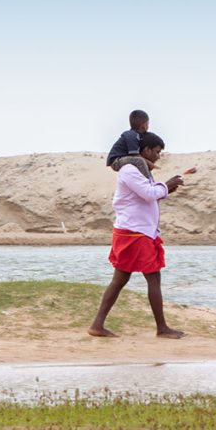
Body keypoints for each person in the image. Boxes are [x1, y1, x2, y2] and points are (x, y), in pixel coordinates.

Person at [89, 132, 185, 339]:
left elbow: (148, 196)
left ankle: (97, 325)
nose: (159, 156)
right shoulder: (130, 170)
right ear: (147, 150)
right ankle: (162, 328)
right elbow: (149, 194)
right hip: (135, 233)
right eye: (157, 152)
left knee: (121, 279)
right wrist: (166, 185)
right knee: (153, 277)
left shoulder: (138, 171)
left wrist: (165, 189)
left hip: (136, 231)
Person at [105, 109, 151, 179]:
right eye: (148, 124)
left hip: (123, 159)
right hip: (116, 161)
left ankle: (147, 181)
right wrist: (149, 163)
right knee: (140, 161)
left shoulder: (137, 136)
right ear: (143, 126)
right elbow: (135, 154)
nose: (148, 126)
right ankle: (148, 182)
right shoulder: (132, 135)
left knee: (143, 163)